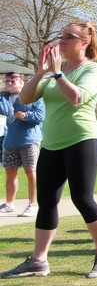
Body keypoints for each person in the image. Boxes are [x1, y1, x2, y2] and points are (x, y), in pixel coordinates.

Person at [2, 21, 97, 279]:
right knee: (46, 202)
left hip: (82, 140)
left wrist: (57, 74)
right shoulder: (57, 70)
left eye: (68, 37)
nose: (60, 41)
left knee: (83, 199)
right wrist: (42, 71)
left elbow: (77, 98)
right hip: (51, 144)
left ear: (84, 43)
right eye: (61, 36)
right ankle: (38, 261)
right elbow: (26, 98)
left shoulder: (93, 70)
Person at [0, 72, 44, 217]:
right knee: (10, 172)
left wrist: (25, 116)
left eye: (14, 79)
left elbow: (40, 116)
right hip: (11, 140)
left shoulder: (34, 96)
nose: (10, 82)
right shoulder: (4, 98)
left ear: (22, 82)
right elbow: (5, 111)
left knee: (30, 171)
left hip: (29, 139)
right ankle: (9, 204)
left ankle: (33, 204)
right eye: (7, 80)